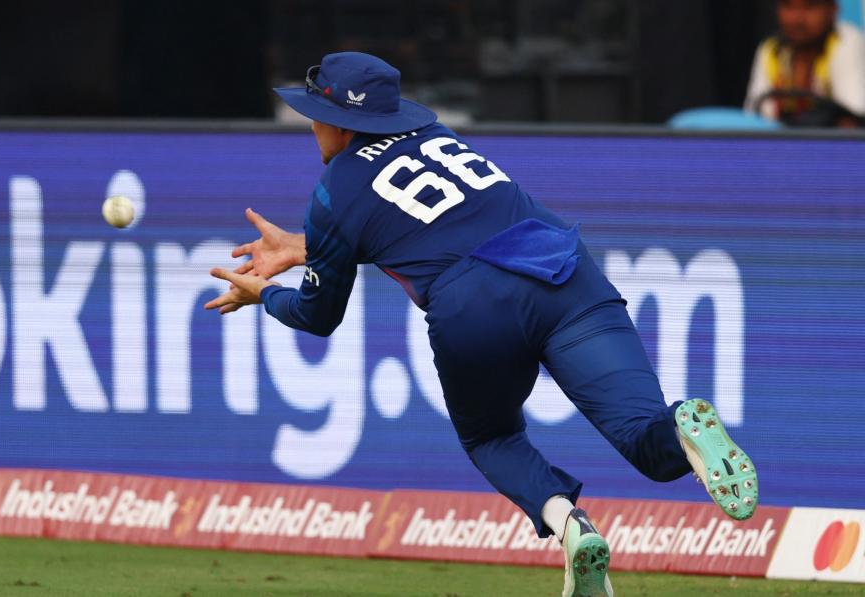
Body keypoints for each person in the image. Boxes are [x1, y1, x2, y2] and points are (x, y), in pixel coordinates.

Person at [206, 52, 758, 597]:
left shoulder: (334, 191)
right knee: (651, 447)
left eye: (314, 112)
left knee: (491, 437)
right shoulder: (438, 136)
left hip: (476, 304)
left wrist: (266, 293)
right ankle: (685, 422)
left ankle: (570, 525)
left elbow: (318, 315)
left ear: (339, 120)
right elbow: (432, 223)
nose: (310, 123)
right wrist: (310, 248)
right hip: (563, 271)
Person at [745, 0, 865, 127]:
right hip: (782, 145)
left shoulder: (847, 43)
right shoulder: (770, 49)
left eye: (810, 6)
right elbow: (754, 122)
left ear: (832, 10)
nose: (796, 19)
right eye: (787, 6)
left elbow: (853, 121)